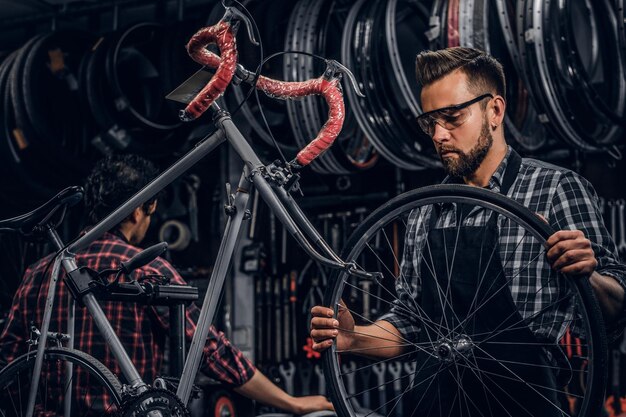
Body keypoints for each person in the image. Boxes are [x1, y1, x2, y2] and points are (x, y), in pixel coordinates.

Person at [310, 47, 626, 416]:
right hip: (435, 403)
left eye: (452, 117)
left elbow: (616, 313)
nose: (440, 135)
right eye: (430, 122)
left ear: (494, 110)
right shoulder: (425, 209)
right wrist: (354, 338)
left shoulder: (554, 189)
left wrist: (587, 276)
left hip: (524, 404)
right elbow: (411, 324)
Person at [0, 154, 333, 416]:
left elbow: (9, 363)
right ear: (140, 211)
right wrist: (291, 402)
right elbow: (210, 351)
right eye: (149, 211)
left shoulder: (40, 272)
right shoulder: (147, 268)